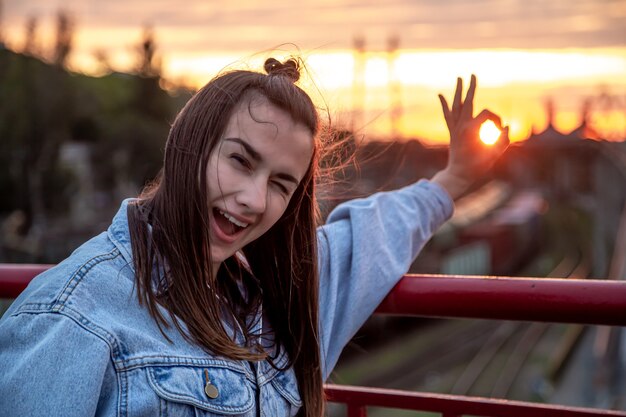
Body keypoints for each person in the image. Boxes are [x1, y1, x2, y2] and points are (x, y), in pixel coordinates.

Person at [0, 57, 509, 417]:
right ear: (189, 146)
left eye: (281, 184)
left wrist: (455, 179)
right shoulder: (72, 318)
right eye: (240, 160)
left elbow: (369, 237)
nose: (253, 199)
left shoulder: (279, 303)